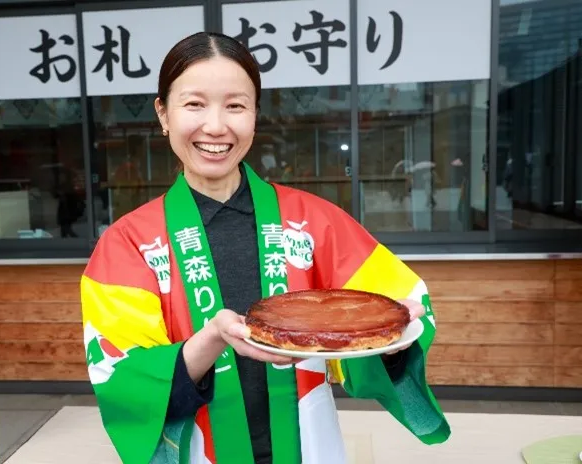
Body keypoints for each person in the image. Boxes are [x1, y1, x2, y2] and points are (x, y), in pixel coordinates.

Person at [81, 32, 450, 464]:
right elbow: (123, 376)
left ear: (255, 114)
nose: (216, 126)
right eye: (194, 104)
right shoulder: (128, 243)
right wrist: (212, 338)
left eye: (235, 105)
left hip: (308, 446)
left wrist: (394, 341)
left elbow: (391, 312)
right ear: (163, 113)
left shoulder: (315, 222)